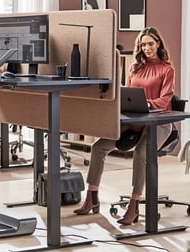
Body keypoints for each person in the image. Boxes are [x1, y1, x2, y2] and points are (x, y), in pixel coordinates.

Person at [74, 26, 175, 225]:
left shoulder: (167, 69)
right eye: (143, 44)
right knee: (98, 147)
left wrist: (148, 104)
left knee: (140, 154)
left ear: (158, 44)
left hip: (159, 123)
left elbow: (166, 99)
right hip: (136, 120)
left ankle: (133, 205)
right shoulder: (135, 67)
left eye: (151, 44)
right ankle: (92, 198)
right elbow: (127, 95)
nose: (147, 48)